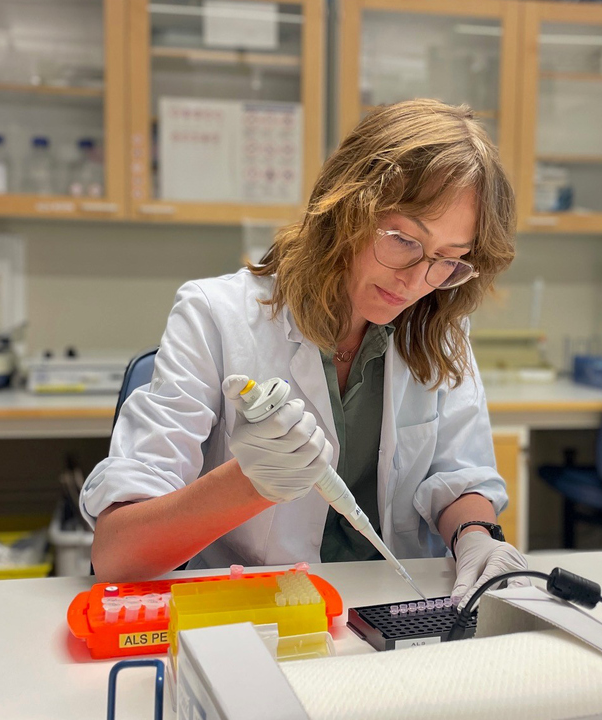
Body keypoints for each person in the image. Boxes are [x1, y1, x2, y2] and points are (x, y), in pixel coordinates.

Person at [81, 99, 529, 605]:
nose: (417, 280)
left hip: (399, 605)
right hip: (260, 618)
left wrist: (476, 537)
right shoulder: (215, 315)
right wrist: (251, 482)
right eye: (404, 240)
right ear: (347, 204)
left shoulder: (439, 324)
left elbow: (456, 473)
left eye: (448, 260)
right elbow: (117, 553)